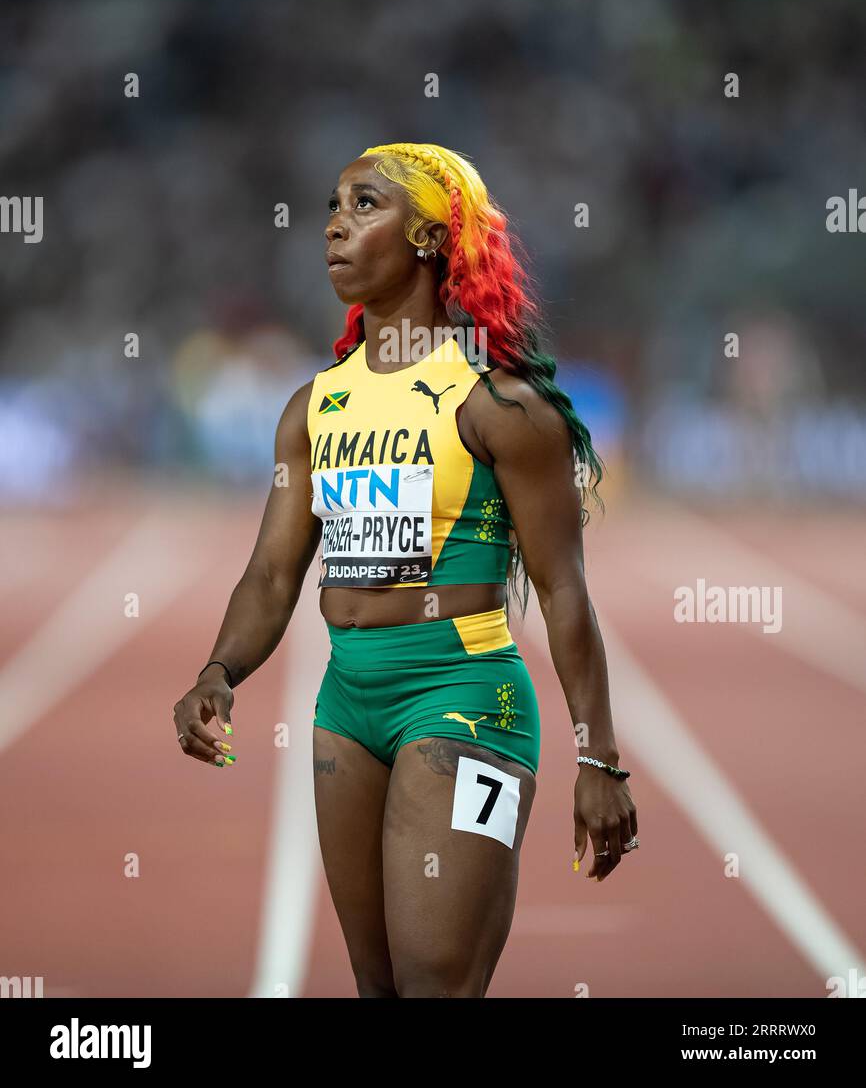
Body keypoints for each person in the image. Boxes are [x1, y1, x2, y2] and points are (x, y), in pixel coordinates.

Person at [173, 142, 638, 998]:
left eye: (363, 205)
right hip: (345, 706)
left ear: (427, 236)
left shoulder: (498, 404)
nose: (333, 225)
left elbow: (566, 591)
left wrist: (599, 761)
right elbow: (274, 576)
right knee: (378, 986)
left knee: (435, 984)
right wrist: (218, 669)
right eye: (333, 206)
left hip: (463, 699)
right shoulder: (314, 406)